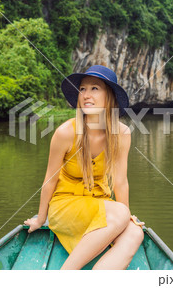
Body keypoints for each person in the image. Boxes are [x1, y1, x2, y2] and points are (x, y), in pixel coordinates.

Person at [24, 65, 144, 270]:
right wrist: (41, 218)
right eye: (82, 89)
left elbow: (121, 180)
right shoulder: (66, 133)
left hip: (100, 204)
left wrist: (126, 217)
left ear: (110, 97)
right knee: (120, 216)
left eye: (95, 89)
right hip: (66, 205)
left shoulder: (122, 133)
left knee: (135, 233)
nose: (86, 95)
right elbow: (50, 180)